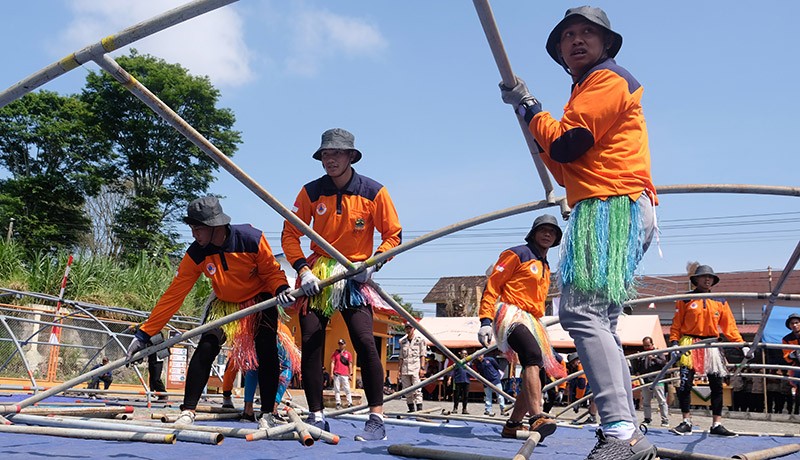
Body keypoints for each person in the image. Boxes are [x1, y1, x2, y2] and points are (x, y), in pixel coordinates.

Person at [498, 6, 659, 458]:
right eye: (568, 35)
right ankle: (626, 431)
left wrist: (532, 109)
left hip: (612, 206)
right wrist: (534, 124)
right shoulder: (586, 91)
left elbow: (569, 141)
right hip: (607, 204)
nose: (577, 40)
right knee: (600, 321)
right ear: (561, 52)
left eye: (588, 33)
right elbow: (566, 163)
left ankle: (622, 433)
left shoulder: (608, 80)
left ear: (607, 44)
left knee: (583, 317)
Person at [126, 196, 295, 429]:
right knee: (206, 344)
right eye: (192, 228)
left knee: (266, 349)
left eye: (198, 228)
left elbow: (271, 271)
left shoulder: (251, 239)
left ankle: (267, 413)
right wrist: (145, 334)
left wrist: (282, 289)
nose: (194, 234)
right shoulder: (197, 253)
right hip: (224, 302)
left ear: (215, 226)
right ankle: (188, 411)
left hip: (260, 298)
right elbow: (174, 294)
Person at [282, 128, 402, 441]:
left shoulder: (374, 192)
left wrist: (374, 263)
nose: (329, 159)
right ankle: (316, 415)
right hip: (319, 273)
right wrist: (303, 269)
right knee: (310, 339)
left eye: (336, 153)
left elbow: (394, 235)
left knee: (364, 339)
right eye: (325, 154)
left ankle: (376, 418)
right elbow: (289, 235)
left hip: (355, 272)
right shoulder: (310, 192)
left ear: (351, 156)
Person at [477, 214, 565, 440]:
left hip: (533, 320)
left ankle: (512, 424)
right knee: (532, 355)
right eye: (543, 229)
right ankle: (536, 417)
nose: (548, 234)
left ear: (556, 238)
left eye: (552, 231)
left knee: (541, 373)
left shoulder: (545, 265)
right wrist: (485, 321)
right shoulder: (517, 253)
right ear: (534, 232)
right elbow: (492, 286)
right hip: (510, 313)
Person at [669, 265, 745, 437]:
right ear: (696, 280)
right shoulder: (684, 299)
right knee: (684, 384)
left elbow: (729, 326)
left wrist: (741, 344)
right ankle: (686, 421)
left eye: (710, 277)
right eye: (703, 277)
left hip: (712, 344)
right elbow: (676, 324)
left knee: (717, 385)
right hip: (689, 343)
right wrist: (674, 343)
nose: (707, 279)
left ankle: (717, 424)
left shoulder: (720, 300)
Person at [631, 337, 669, 427]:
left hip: (657, 379)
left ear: (652, 344)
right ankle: (647, 419)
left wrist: (654, 359)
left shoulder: (658, 352)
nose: (646, 347)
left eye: (648, 345)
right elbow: (638, 367)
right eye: (645, 346)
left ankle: (665, 420)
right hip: (645, 380)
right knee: (646, 401)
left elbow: (664, 363)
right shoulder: (642, 354)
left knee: (661, 401)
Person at [398, 322, 427, 412]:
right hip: (405, 368)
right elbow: (401, 357)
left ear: (413, 329)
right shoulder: (403, 342)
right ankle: (411, 409)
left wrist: (422, 368)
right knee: (406, 390)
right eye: (407, 328)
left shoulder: (420, 340)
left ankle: (419, 409)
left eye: (410, 328)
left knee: (417, 389)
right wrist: (399, 370)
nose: (408, 330)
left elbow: (423, 355)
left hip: (415, 368)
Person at [330, 338, 354, 409]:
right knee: (337, 389)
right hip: (337, 374)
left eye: (342, 344)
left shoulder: (348, 354)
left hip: (345, 374)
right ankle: (338, 403)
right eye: (339, 344)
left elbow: (350, 364)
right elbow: (332, 363)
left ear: (345, 345)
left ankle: (350, 402)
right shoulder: (335, 353)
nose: (340, 346)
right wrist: (331, 373)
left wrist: (351, 373)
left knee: (347, 389)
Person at [448, 349, 471, 414]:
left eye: (466, 354)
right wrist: (450, 378)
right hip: (458, 380)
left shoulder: (469, 362)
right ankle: (455, 408)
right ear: (460, 354)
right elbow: (452, 371)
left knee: (465, 396)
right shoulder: (457, 361)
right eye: (463, 354)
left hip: (466, 380)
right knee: (456, 395)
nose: (465, 355)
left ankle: (464, 409)